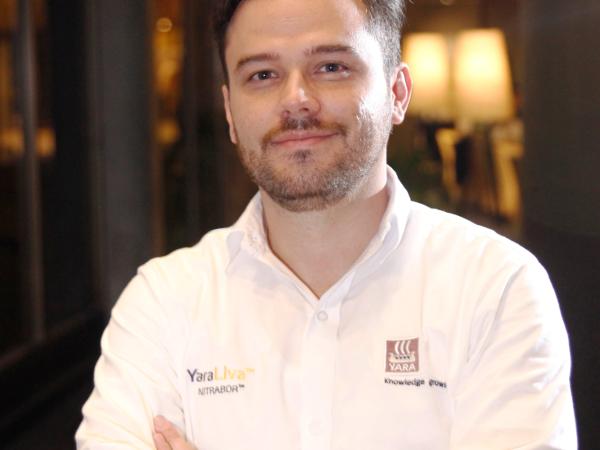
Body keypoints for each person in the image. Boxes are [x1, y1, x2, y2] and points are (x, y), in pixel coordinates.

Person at [76, 0, 577, 449]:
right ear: (230, 111)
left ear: (397, 92)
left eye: (331, 67)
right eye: (262, 75)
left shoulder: (495, 289)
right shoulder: (162, 303)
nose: (296, 99)